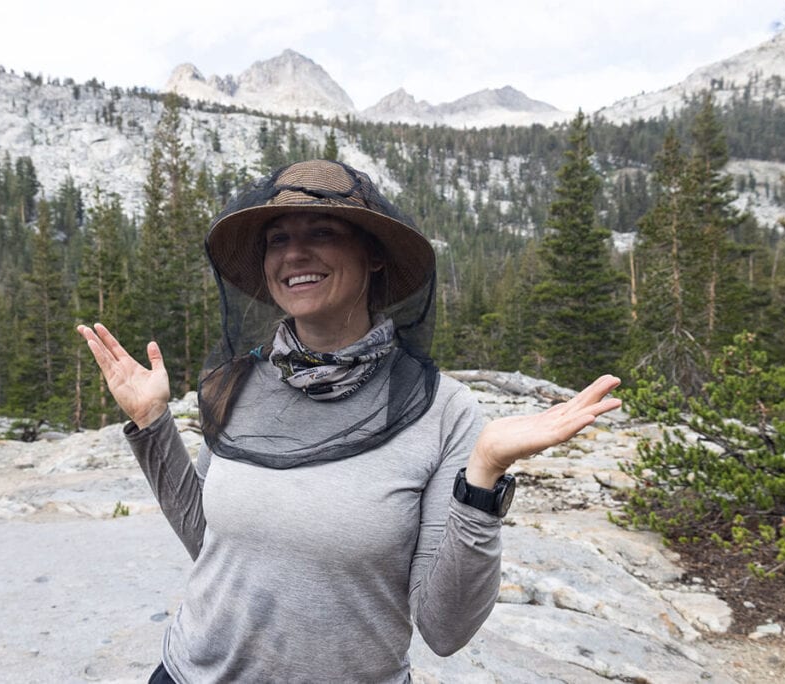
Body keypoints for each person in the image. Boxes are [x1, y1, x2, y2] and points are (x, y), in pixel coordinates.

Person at [77, 159, 621, 683]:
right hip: (191, 674)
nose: (294, 254)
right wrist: (153, 425)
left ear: (375, 255)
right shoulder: (238, 385)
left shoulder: (443, 411)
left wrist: (483, 478)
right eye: (277, 239)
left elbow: (445, 628)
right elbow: (209, 541)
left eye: (323, 231)